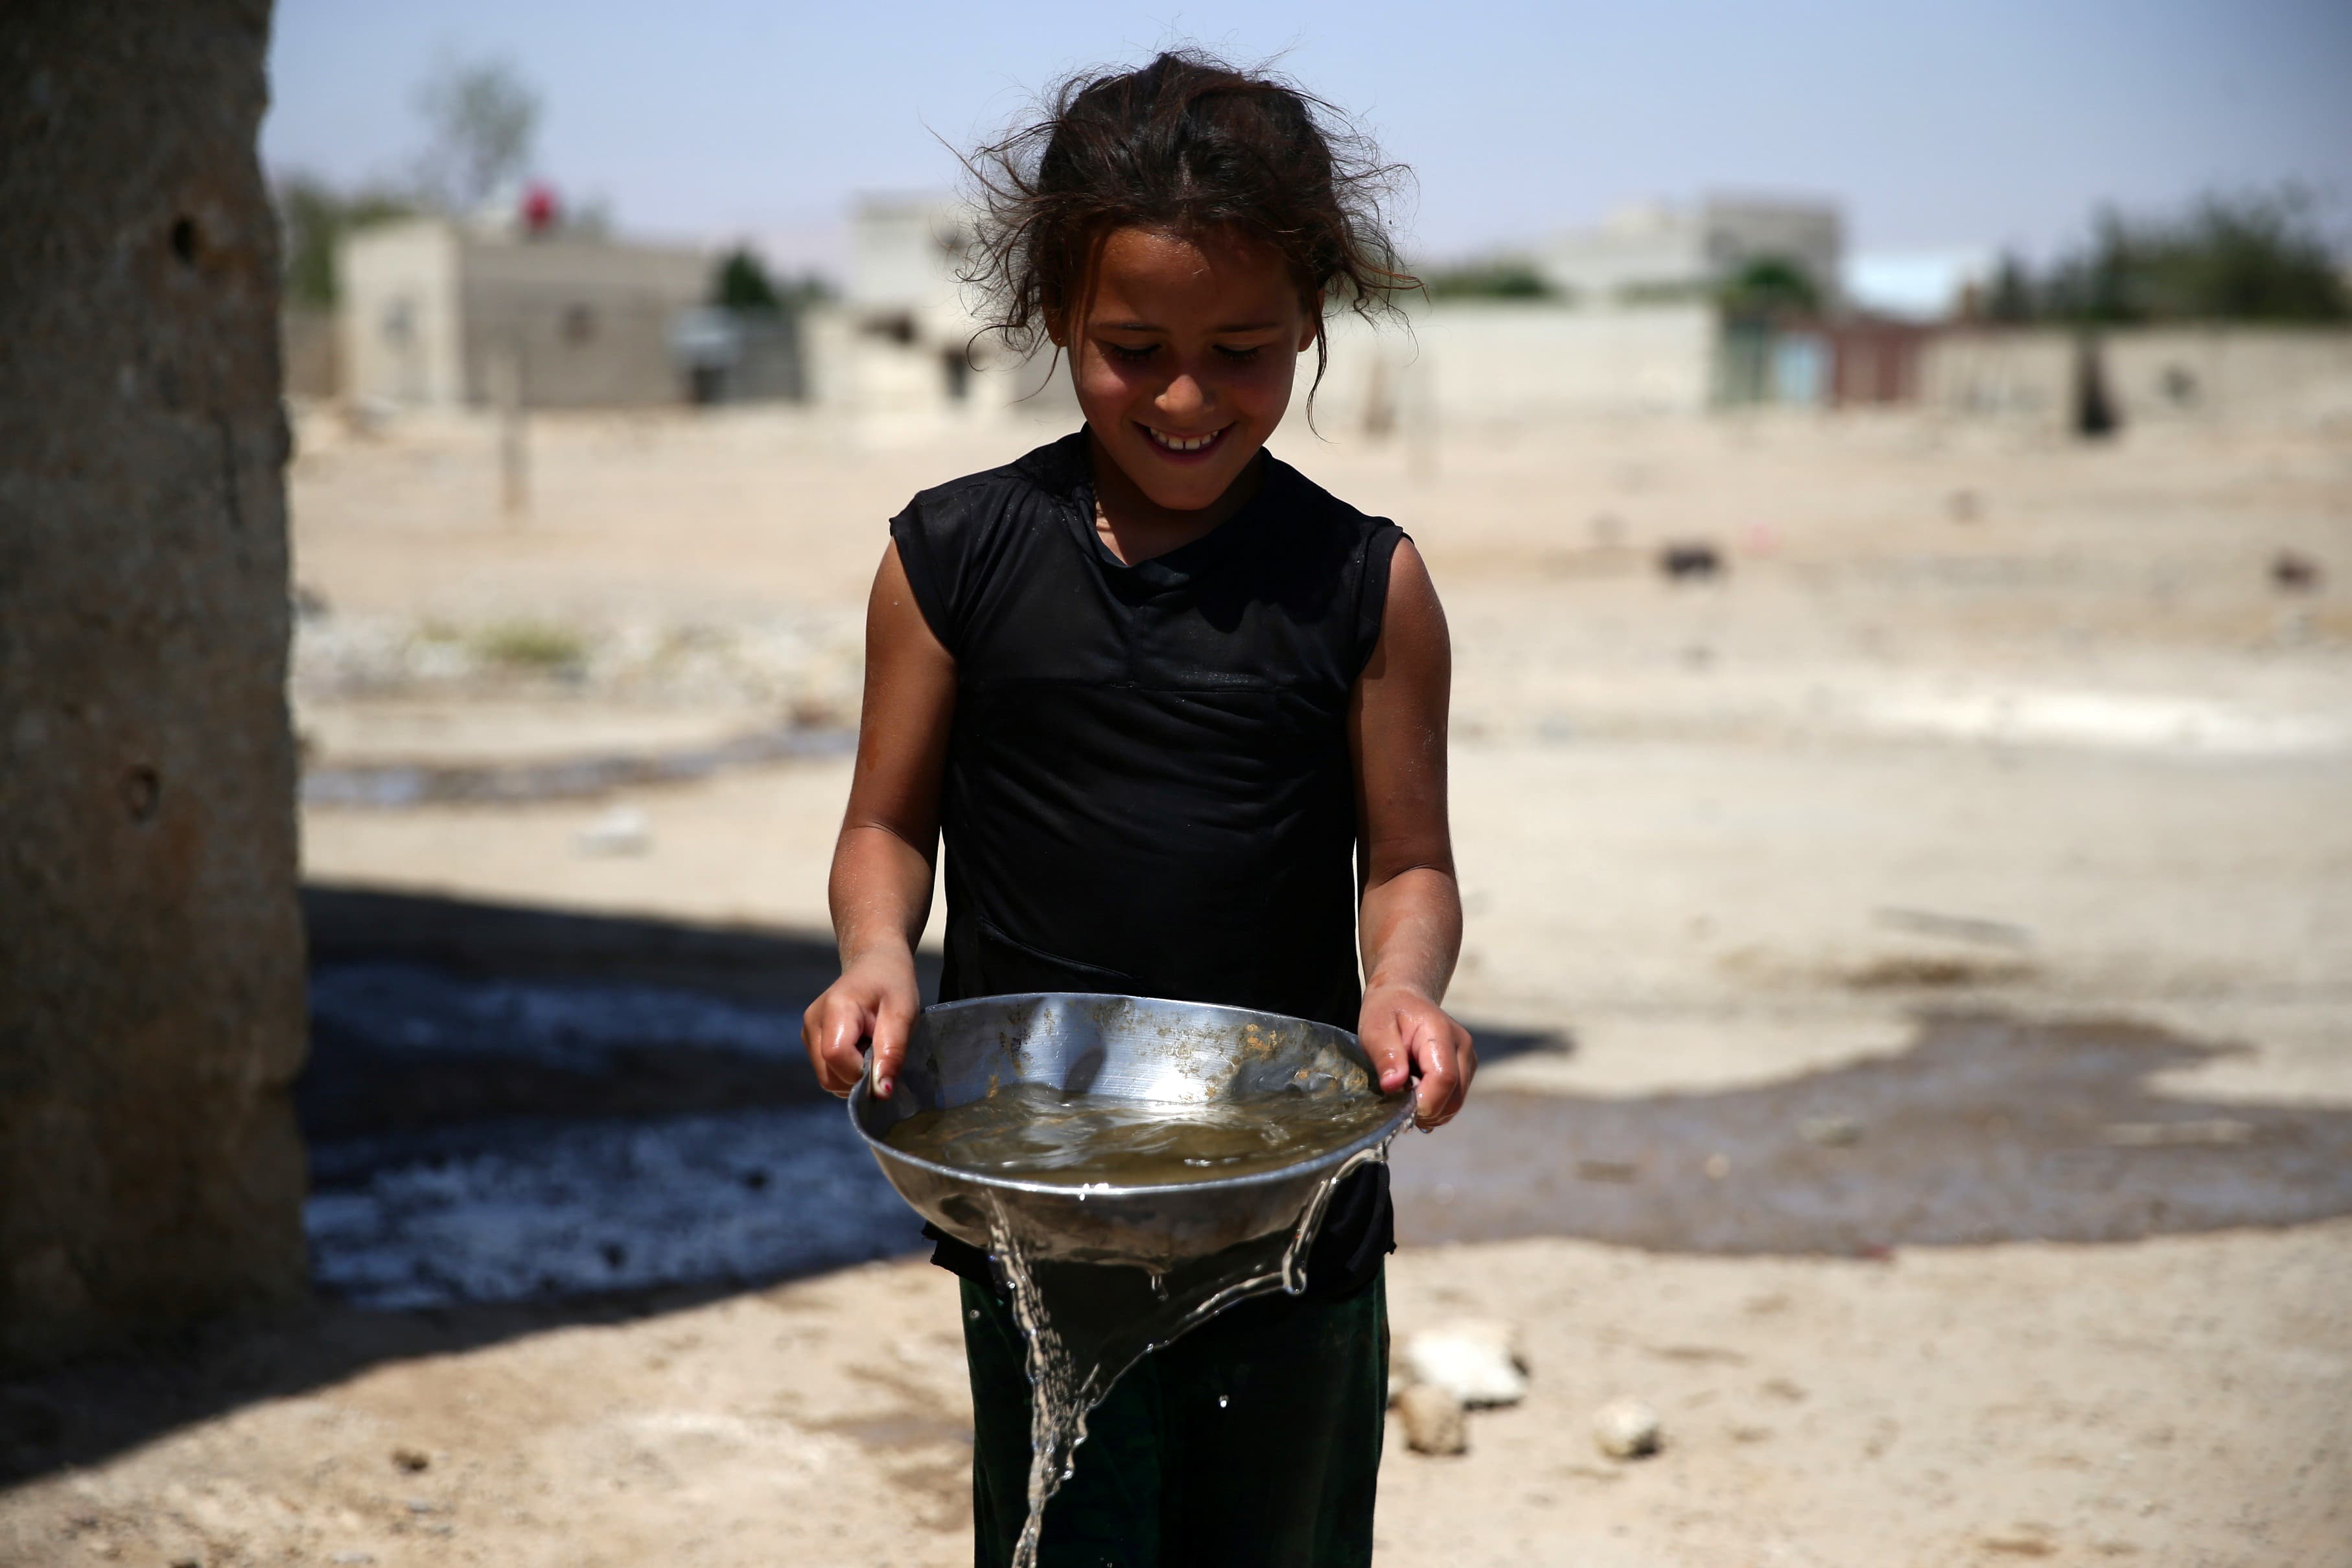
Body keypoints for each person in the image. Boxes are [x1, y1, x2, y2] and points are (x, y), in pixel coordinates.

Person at [800, 49, 1475, 1567]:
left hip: (1295, 1220)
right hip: (1040, 1206)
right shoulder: (952, 559)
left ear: (1313, 316)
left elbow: (1411, 862)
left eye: (1241, 348)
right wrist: (875, 952)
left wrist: (1405, 987)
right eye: (1132, 348)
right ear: (1058, 319)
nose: (1185, 395)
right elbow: (886, 828)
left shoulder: (1366, 583)